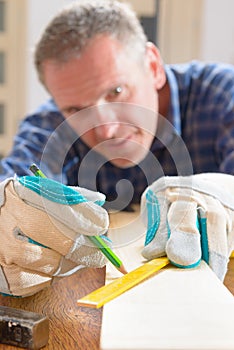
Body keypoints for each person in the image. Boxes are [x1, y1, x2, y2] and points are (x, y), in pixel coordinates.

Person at [0, 0, 234, 297]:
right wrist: (9, 212)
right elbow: (13, 187)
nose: (107, 130)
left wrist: (225, 190)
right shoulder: (50, 126)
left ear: (152, 66)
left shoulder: (223, 95)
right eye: (75, 109)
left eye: (116, 92)